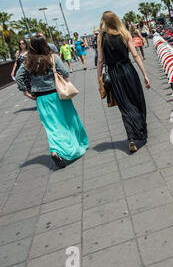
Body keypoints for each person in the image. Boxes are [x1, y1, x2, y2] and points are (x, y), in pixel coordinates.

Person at [15, 35, 89, 168]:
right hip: (58, 95)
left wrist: (26, 92)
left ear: (31, 46)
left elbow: (19, 77)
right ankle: (77, 145)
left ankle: (55, 151)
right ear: (45, 44)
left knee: (52, 126)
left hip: (42, 99)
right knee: (69, 120)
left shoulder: (28, 61)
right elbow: (65, 73)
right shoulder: (53, 57)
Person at [97, 11, 150, 153]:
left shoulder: (101, 37)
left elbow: (100, 60)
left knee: (125, 106)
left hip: (114, 74)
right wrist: (144, 74)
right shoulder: (124, 33)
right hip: (128, 70)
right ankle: (141, 130)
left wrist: (99, 80)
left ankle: (131, 138)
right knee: (137, 100)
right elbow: (135, 54)